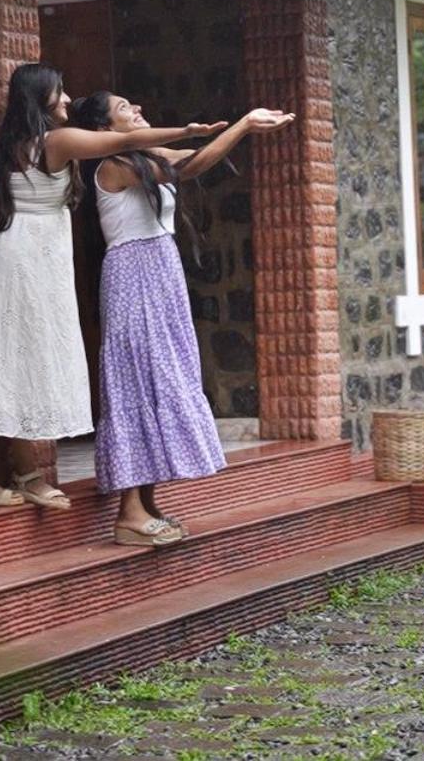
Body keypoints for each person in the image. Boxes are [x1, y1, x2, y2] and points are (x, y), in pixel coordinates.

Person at [0, 64, 225, 511]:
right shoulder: (56, 141)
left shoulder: (4, 147)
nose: (67, 100)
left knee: (2, 356)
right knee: (23, 359)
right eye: (60, 93)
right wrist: (186, 129)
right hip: (32, 259)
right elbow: (122, 142)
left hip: (4, 253)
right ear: (40, 98)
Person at [68, 91, 295, 546]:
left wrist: (236, 129)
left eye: (134, 103)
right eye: (124, 109)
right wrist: (245, 125)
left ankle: (146, 502)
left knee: (160, 379)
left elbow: (190, 156)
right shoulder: (114, 164)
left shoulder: (143, 153)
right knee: (137, 382)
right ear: (106, 129)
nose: (135, 108)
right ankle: (128, 512)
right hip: (134, 276)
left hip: (159, 274)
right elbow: (186, 169)